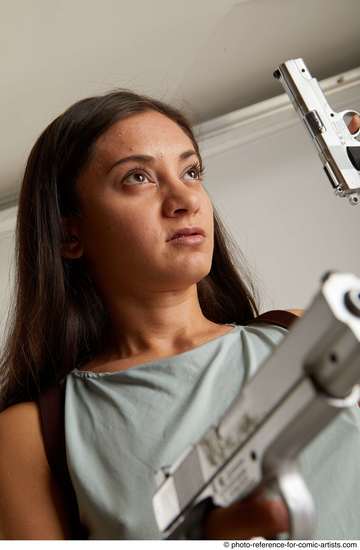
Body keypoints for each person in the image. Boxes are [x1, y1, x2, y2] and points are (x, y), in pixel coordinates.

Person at [0, 90, 359, 540]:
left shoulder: (314, 334)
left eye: (191, 171)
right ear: (69, 233)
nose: (184, 199)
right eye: (137, 177)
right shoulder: (30, 438)